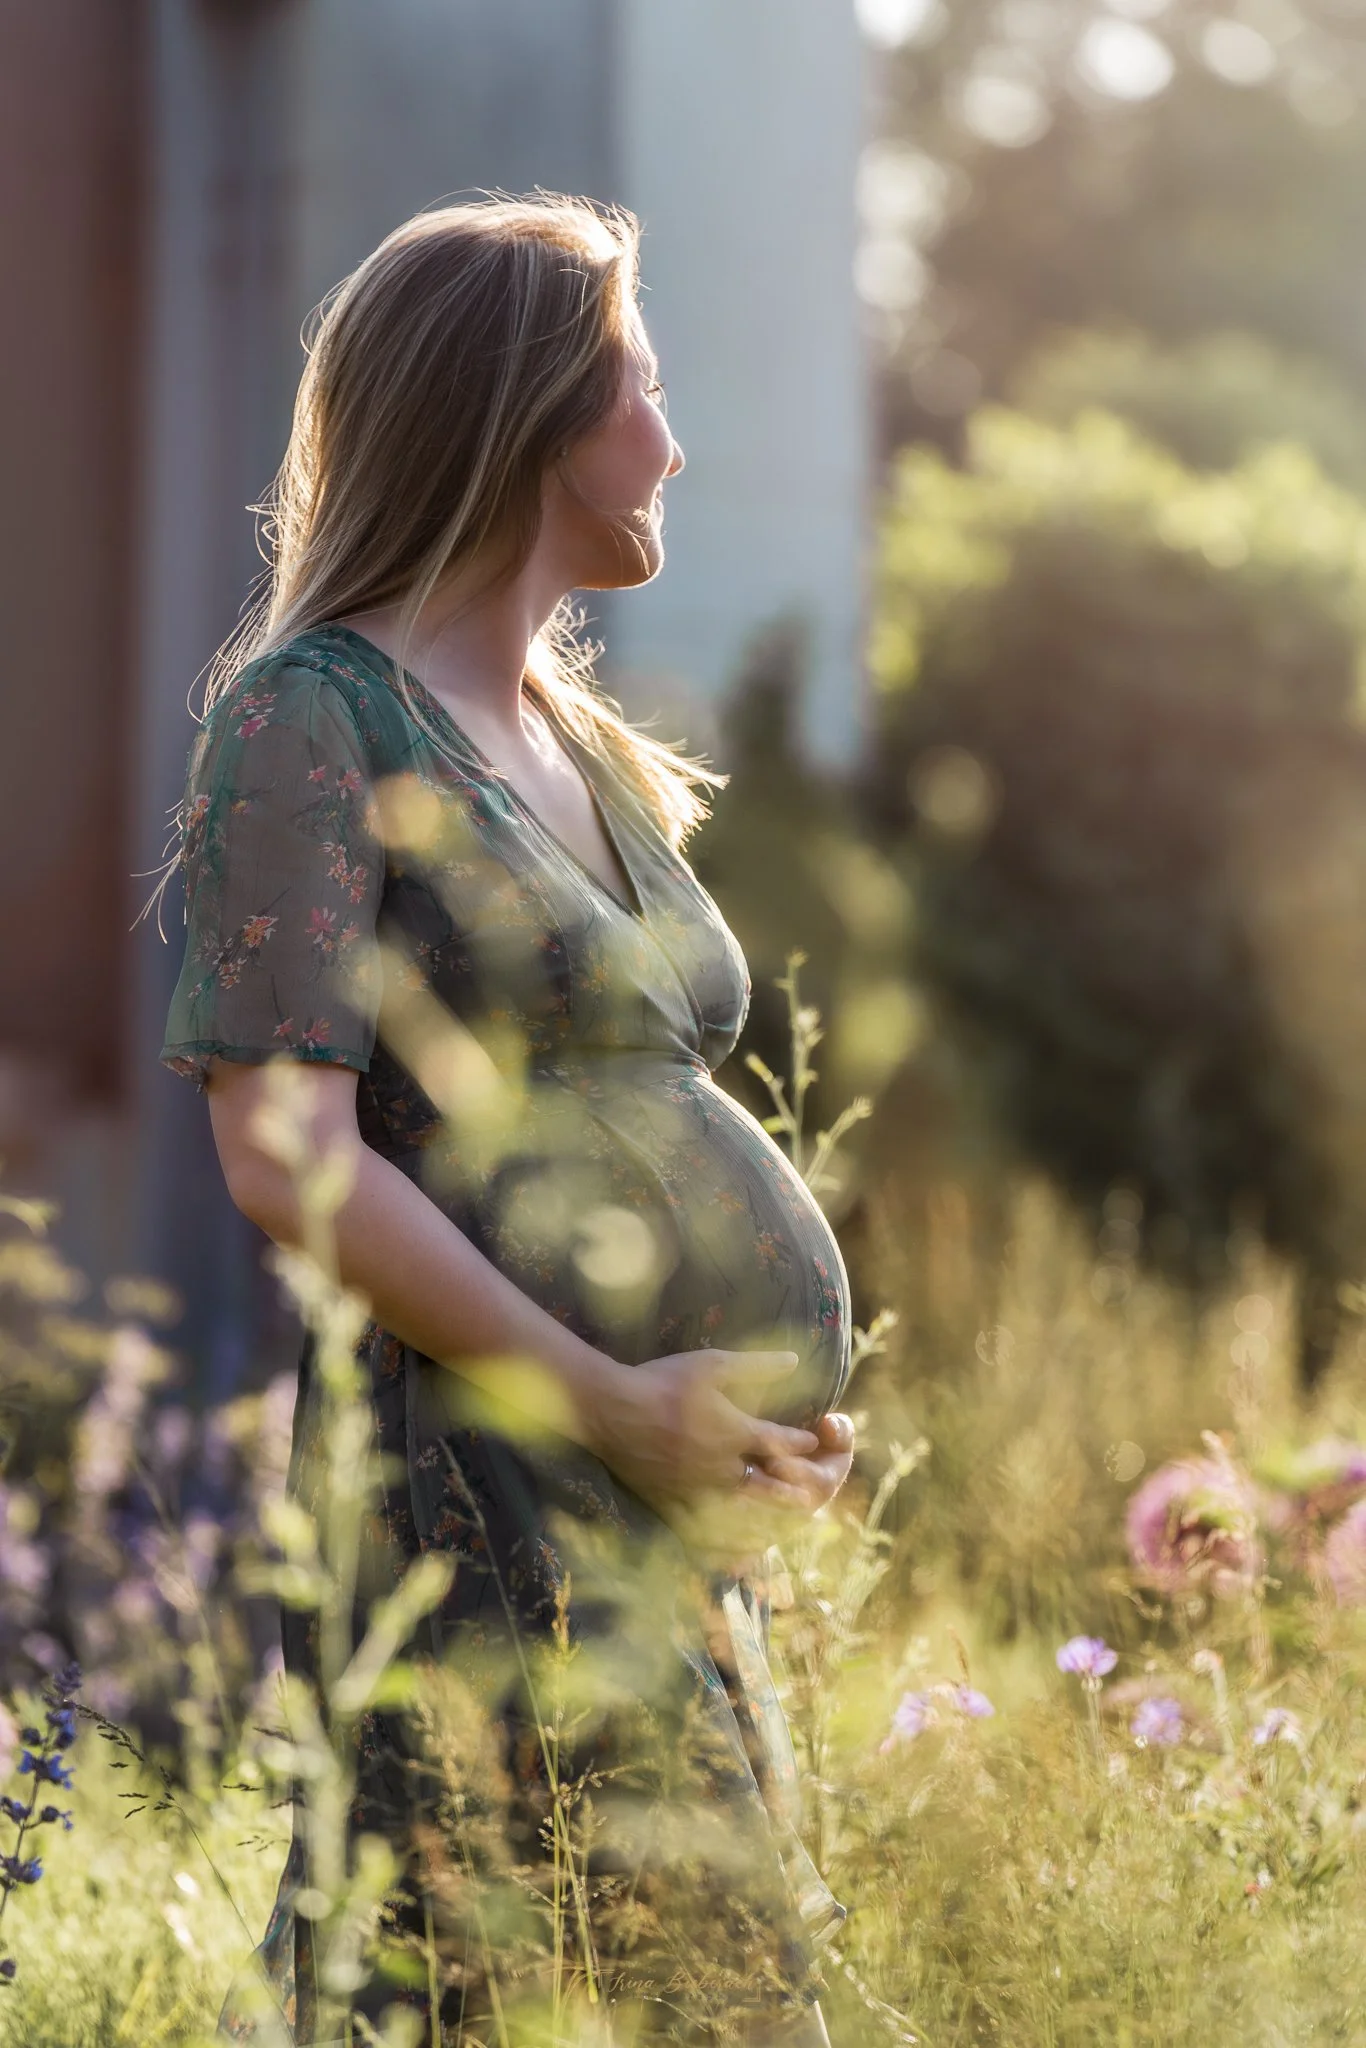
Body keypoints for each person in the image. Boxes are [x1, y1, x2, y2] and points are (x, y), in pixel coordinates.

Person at [161, 193, 856, 2045]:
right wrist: (607, 1395)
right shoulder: (311, 719)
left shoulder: (573, 730)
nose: (674, 439)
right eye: (640, 385)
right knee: (520, 1986)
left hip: (645, 1508)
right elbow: (284, 1151)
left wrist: (746, 1423)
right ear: (522, 410)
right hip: (473, 1492)